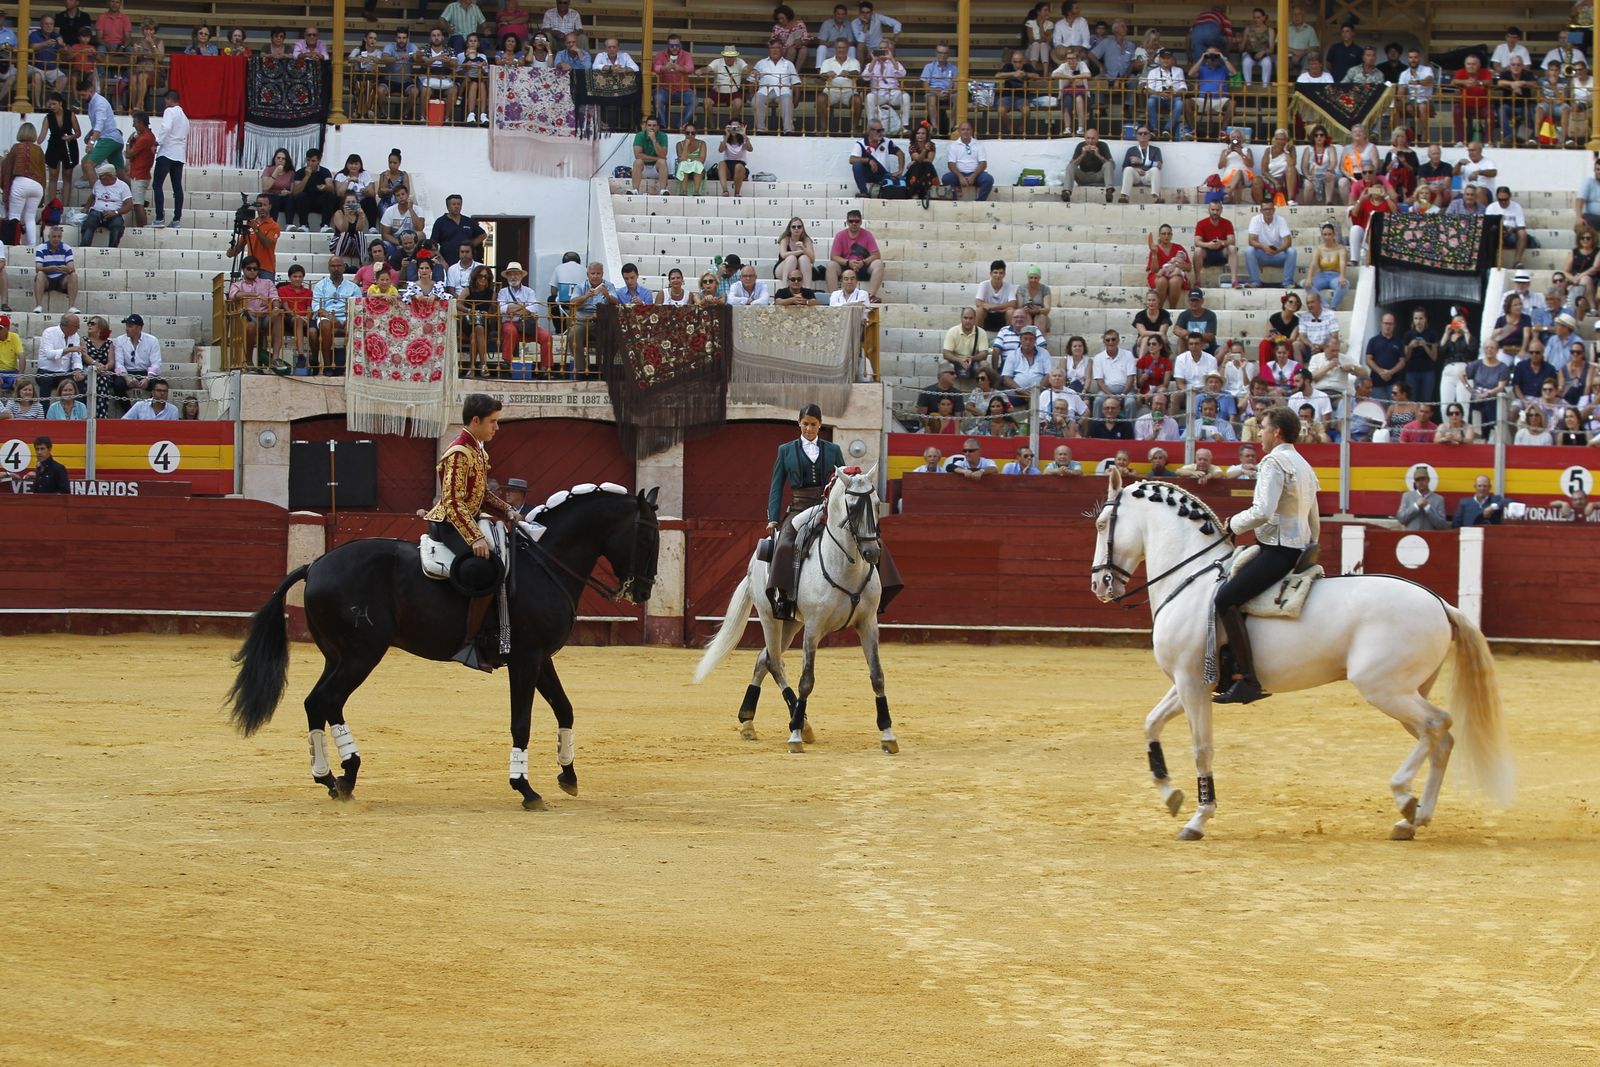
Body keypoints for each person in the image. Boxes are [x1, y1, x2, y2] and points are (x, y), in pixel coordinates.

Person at [1213, 406, 1320, 704]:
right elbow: (1314, 517)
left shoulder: (1273, 461)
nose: (1258, 433)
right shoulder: (1303, 465)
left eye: (1262, 427)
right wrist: (1311, 546)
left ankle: (1247, 678)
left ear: (1277, 433)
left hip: (1278, 550)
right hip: (1297, 549)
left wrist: (1232, 525)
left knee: (1224, 598)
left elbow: (1263, 511)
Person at [422, 393, 522, 670]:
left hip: (466, 519)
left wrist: (508, 510)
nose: (496, 428)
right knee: (485, 568)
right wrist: (475, 537)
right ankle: (468, 643)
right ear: (475, 420)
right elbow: (453, 502)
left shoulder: (477, 448)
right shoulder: (459, 453)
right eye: (493, 422)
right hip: (450, 524)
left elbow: (482, 494)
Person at [765, 404, 844, 620]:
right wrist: (773, 518)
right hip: (799, 507)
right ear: (799, 423)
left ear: (820, 425)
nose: (809, 428)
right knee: (784, 545)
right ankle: (783, 596)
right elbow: (776, 485)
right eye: (805, 424)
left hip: (826, 507)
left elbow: (843, 482)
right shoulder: (785, 450)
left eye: (814, 424)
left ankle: (871, 593)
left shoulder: (833, 450)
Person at [150, 89, 188, 230]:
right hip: (179, 154)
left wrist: (157, 142)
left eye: (166, 101)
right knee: (177, 187)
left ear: (169, 99)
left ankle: (160, 217)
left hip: (167, 152)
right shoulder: (184, 116)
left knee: (157, 185)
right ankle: (177, 219)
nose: (165, 103)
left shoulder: (170, 111)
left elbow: (166, 128)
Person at [826, 210, 884, 300]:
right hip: (846, 266)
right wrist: (848, 262)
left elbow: (876, 255)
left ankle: (871, 296)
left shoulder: (867, 235)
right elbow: (834, 256)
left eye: (856, 221)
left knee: (878, 264)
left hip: (863, 267)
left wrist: (863, 262)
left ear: (860, 222)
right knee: (831, 265)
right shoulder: (840, 235)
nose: (854, 223)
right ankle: (834, 297)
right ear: (847, 222)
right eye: (851, 221)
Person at [750, 39, 800, 135]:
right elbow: (751, 80)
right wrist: (752, 95)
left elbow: (796, 82)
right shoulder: (761, 63)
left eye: (777, 47)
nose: (774, 50)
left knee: (787, 100)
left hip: (783, 91)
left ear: (782, 49)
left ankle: (788, 130)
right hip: (764, 91)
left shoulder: (788, 64)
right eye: (772, 48)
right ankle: (760, 129)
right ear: (769, 49)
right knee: (756, 100)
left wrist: (797, 99)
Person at [79, 163, 133, 249]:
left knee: (117, 226)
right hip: (97, 211)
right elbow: (93, 196)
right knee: (89, 223)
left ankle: (112, 249)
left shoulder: (123, 186)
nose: (100, 179)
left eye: (102, 176)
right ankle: (84, 248)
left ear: (110, 176)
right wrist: (86, 207)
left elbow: (129, 205)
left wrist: (115, 212)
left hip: (114, 213)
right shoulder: (98, 183)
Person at [1245, 200, 1296, 288]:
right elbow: (1251, 241)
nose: (1268, 211)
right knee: (1249, 251)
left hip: (1278, 254)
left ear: (1274, 210)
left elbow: (1288, 241)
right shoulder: (1255, 220)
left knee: (1292, 251)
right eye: (1265, 209)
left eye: (1270, 209)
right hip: (1262, 254)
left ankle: (1287, 283)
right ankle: (1255, 282)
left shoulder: (1280, 220)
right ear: (1261, 211)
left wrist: (1277, 250)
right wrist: (1263, 246)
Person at [943, 122, 993, 202]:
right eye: (963, 129)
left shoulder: (979, 144)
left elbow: (983, 164)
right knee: (946, 178)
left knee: (988, 179)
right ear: (959, 131)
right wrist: (960, 176)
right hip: (959, 174)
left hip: (976, 175)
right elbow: (951, 164)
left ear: (972, 131)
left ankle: (980, 202)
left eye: (968, 129)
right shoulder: (954, 145)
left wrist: (973, 176)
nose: (965, 132)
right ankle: (954, 202)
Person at [1062, 127, 1114, 204]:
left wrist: (1098, 155)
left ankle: (1109, 191)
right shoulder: (1080, 145)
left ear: (1097, 139)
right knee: (1070, 166)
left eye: (1093, 138)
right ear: (1085, 138)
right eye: (1088, 138)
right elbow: (1073, 165)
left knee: (1108, 164)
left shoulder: (1103, 145)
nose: (1090, 141)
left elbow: (1112, 166)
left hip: (1099, 176)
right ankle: (1067, 192)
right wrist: (1082, 154)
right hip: (1084, 177)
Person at [1119, 125, 1163, 203]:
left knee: (1155, 170)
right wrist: (1135, 169)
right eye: (1140, 133)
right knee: (1128, 169)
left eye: (1145, 133)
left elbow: (1159, 165)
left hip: (1147, 176)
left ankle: (1156, 197)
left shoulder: (1155, 150)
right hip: (1136, 177)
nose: (1143, 135)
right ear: (1136, 136)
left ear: (1149, 136)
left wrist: (1142, 162)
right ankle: (1124, 196)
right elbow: (1124, 168)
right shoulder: (1131, 150)